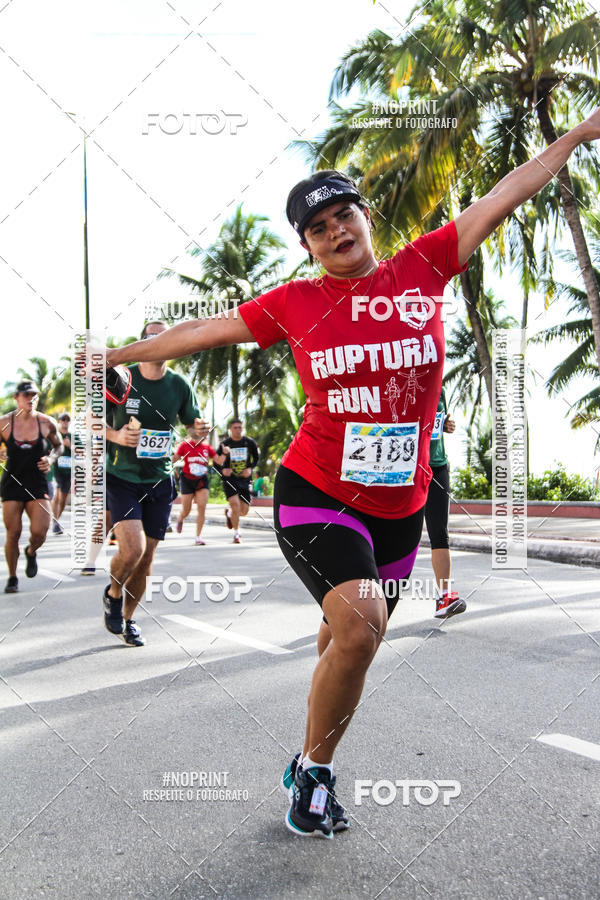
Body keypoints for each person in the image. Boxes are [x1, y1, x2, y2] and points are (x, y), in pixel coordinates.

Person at [106, 110, 600, 835]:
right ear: (306, 245)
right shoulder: (297, 303)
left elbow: (511, 190)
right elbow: (202, 331)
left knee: (344, 643)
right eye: (318, 227)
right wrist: (113, 357)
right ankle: (317, 779)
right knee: (363, 627)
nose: (337, 230)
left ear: (366, 217)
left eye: (345, 214)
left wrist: (579, 136)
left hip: (399, 504)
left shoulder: (426, 266)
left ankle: (306, 756)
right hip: (316, 489)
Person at [102, 320, 207, 646]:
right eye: (152, 337)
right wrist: (117, 435)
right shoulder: (123, 377)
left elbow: (193, 426)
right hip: (122, 476)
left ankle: (129, 619)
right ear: (141, 343)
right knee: (134, 549)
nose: (159, 341)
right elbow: (91, 422)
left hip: (159, 479)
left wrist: (199, 430)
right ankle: (113, 592)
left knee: (146, 560)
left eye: (165, 337)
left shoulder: (178, 385)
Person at [0, 381, 63, 593]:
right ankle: (12, 577)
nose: (31, 399)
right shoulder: (3, 423)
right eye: (26, 395)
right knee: (13, 532)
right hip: (12, 482)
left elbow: (59, 445)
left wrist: (51, 458)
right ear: (16, 397)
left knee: (40, 531)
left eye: (34, 395)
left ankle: (31, 551)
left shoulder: (46, 423)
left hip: (37, 482)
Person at [425, 389, 466, 618]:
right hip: (407, 469)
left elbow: (440, 421)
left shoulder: (438, 389)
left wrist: (447, 425)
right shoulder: (400, 380)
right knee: (397, 537)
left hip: (437, 466)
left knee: (439, 532)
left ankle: (444, 597)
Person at [214, 419, 259, 544]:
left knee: (244, 511)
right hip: (230, 480)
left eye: (240, 427)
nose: (238, 430)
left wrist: (250, 468)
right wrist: (223, 471)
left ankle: (229, 514)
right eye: (235, 427)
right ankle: (236, 533)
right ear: (230, 429)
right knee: (235, 505)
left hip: (244, 479)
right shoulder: (225, 444)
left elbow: (256, 458)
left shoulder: (249, 442)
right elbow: (216, 463)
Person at [173, 432, 217, 544]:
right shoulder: (185, 445)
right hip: (187, 480)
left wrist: (225, 453)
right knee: (187, 510)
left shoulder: (207, 447)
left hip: (201, 480)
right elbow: (174, 459)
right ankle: (181, 517)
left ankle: (198, 536)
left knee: (202, 507)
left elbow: (219, 460)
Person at [51, 413, 72, 535]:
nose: (65, 422)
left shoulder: (72, 436)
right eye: (63, 419)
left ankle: (57, 520)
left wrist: (70, 446)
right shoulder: (55, 435)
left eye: (67, 420)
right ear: (59, 421)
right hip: (57, 469)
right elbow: (49, 449)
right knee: (58, 494)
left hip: (68, 470)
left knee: (63, 496)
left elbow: (82, 451)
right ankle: (55, 521)